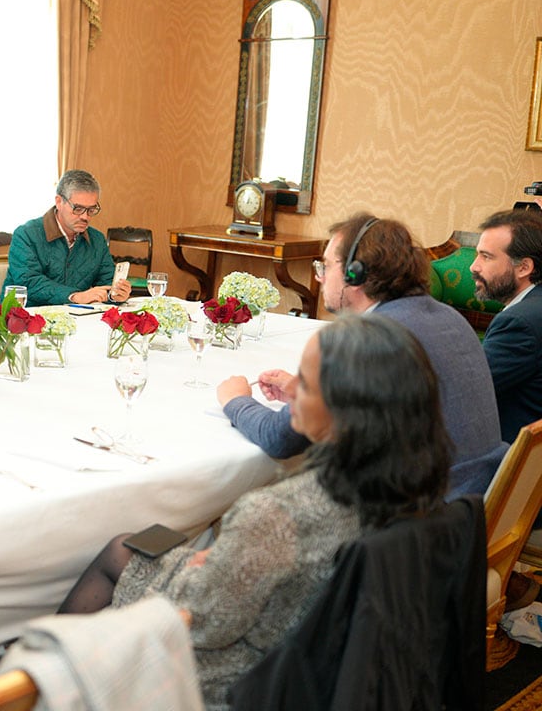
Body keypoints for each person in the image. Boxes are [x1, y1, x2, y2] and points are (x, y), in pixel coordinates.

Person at [58, 314, 451, 710]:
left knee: (121, 549)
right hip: (330, 667)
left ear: (345, 409)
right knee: (144, 543)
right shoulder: (415, 485)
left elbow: (201, 621)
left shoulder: (277, 513)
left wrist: (202, 566)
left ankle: (40, 679)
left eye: (307, 384)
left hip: (238, 681)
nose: (294, 392)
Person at [216, 213, 504, 494]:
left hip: (424, 521)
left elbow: (278, 438)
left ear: (355, 274)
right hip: (478, 504)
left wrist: (237, 400)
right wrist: (310, 393)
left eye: (326, 266)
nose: (319, 277)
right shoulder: (449, 317)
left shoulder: (368, 340)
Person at [3, 169, 132, 306]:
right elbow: (28, 282)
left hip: (76, 320)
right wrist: (75, 296)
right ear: (59, 202)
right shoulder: (26, 235)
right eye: (78, 208)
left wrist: (115, 294)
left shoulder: (97, 240)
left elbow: (107, 282)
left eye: (91, 210)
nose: (85, 217)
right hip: (26, 318)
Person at [472, 209, 542, 443]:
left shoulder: (519, 324)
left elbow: (467, 389)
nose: (474, 267)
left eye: (486, 257)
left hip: (507, 459)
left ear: (524, 267)